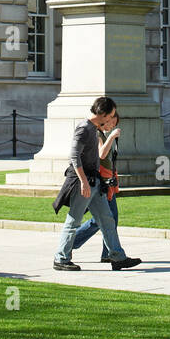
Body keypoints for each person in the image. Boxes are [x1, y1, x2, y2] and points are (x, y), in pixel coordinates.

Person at [53, 97, 141, 271]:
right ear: (103, 114)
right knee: (73, 221)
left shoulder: (93, 129)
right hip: (84, 183)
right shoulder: (84, 128)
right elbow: (74, 157)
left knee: (107, 219)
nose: (112, 120)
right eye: (111, 115)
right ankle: (61, 259)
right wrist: (84, 182)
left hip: (95, 182)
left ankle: (117, 257)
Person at [71, 111, 121, 262]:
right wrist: (112, 137)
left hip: (106, 181)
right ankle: (71, 242)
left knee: (108, 217)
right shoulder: (97, 134)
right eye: (112, 122)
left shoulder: (101, 134)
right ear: (106, 118)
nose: (113, 126)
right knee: (104, 218)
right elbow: (101, 154)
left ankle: (107, 253)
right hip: (100, 183)